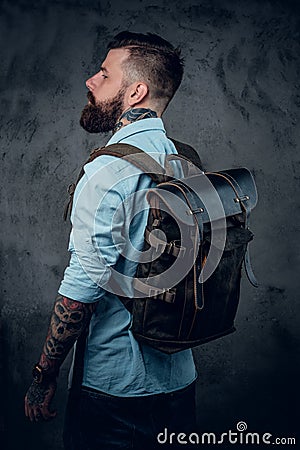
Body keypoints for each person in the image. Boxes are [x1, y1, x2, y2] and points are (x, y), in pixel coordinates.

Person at [24, 31, 198, 450]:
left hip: (116, 394)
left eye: (104, 73)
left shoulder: (107, 171)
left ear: (136, 91)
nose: (90, 80)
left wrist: (42, 379)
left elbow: (79, 293)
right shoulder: (185, 161)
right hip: (180, 383)